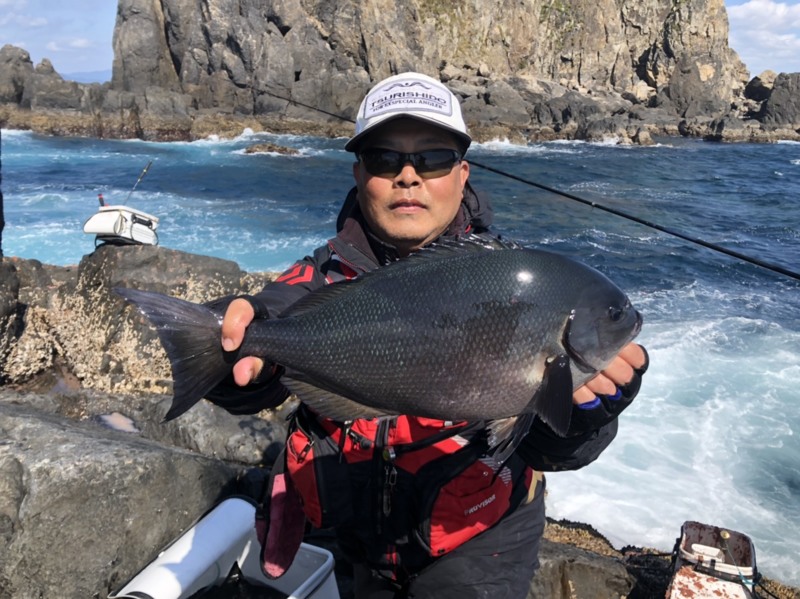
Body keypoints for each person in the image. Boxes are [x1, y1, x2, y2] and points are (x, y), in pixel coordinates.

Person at [206, 72, 648, 598]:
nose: (408, 176)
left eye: (433, 158)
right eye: (384, 159)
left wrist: (582, 418)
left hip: (479, 540)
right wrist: (227, 336)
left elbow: (554, 451)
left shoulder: (513, 277)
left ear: (463, 175)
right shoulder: (320, 279)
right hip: (352, 535)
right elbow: (262, 332)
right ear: (358, 174)